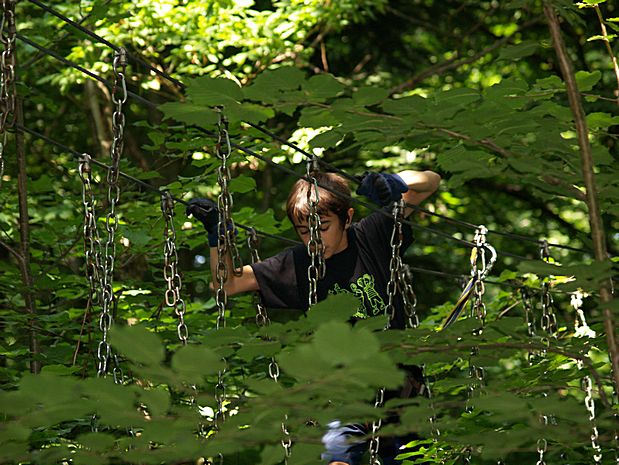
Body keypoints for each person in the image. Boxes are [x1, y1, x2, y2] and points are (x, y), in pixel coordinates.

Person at [186, 169, 441, 465]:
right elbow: (226, 283)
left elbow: (430, 182)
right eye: (305, 231)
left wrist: (395, 181)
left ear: (347, 217)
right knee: (337, 458)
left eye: (324, 228)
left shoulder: (371, 236)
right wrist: (219, 236)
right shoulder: (298, 264)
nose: (314, 240)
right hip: (349, 393)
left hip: (403, 388)